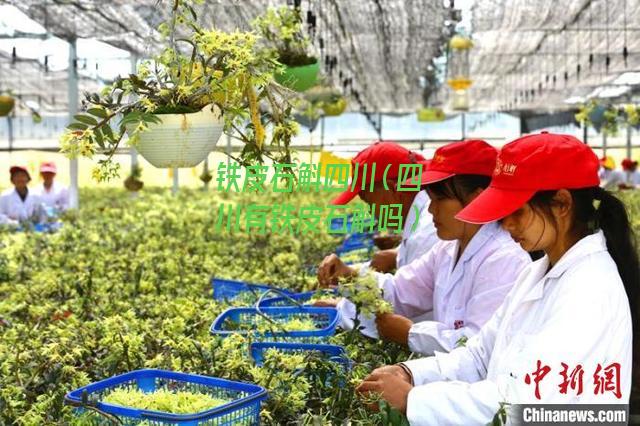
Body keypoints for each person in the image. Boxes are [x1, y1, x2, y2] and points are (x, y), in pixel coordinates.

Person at [357, 132, 636, 424]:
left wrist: (413, 399)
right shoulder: (536, 272)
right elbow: (479, 355)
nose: (506, 223)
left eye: (516, 211)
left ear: (561, 204)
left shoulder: (589, 289)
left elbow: (522, 403)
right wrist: (410, 372)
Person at [318, 140, 531, 353]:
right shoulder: (447, 250)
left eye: (440, 199)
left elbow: (479, 348)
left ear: (476, 199)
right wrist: (349, 276)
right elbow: (400, 291)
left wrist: (411, 334)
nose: (430, 210)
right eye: (430, 199)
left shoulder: (503, 260)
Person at [328, 141, 439, 273]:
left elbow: (404, 291)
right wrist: (396, 255)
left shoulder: (424, 236)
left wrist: (352, 275)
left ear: (393, 188)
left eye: (369, 201)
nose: (371, 211)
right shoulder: (424, 217)